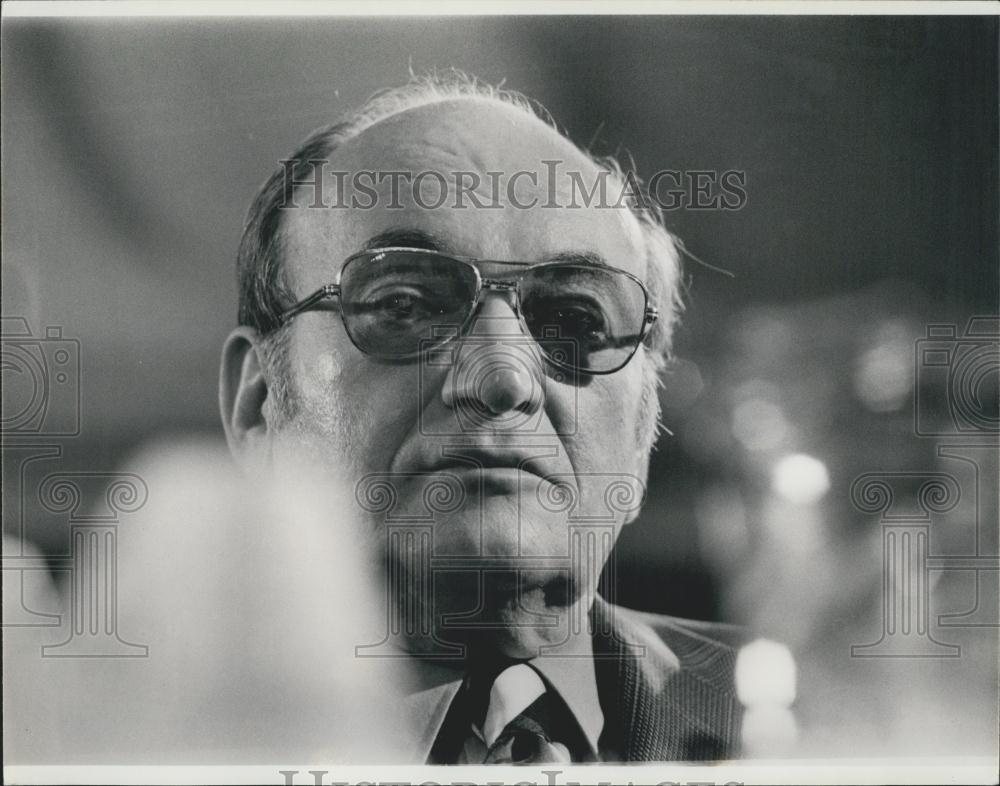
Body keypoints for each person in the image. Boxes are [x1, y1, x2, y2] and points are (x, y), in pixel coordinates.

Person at [219, 73, 743, 764]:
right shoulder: (90, 738)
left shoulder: (821, 720)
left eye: (574, 320)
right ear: (258, 407)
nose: (503, 376)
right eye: (405, 305)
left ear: (646, 416)